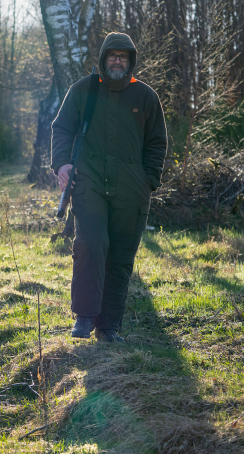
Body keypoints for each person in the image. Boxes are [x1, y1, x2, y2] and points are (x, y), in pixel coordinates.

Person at [51, 32, 167, 342]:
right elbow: (62, 128)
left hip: (132, 190)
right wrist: (61, 164)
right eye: (112, 56)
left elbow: (157, 142)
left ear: (131, 62)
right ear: (103, 59)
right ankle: (84, 316)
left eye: (123, 57)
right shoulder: (84, 90)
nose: (117, 61)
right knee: (90, 243)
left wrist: (149, 180)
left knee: (121, 255)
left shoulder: (145, 96)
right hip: (89, 182)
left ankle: (109, 326)